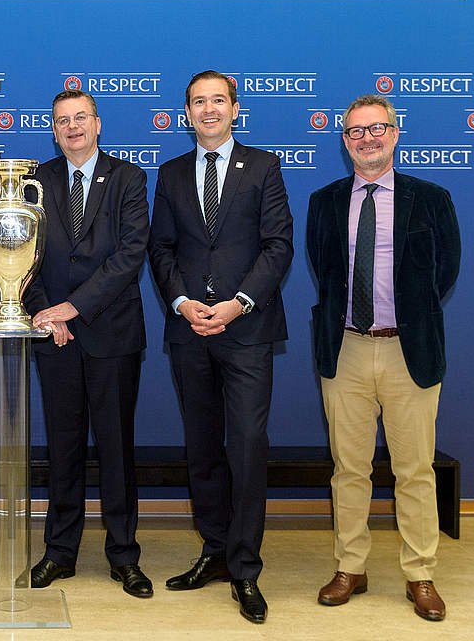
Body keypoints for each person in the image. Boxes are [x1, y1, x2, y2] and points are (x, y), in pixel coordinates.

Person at [306, 94, 460, 621]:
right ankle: (351, 566)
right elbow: (323, 271)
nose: (367, 139)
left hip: (408, 351)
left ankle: (420, 573)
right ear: (344, 141)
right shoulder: (324, 201)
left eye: (377, 129)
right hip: (345, 349)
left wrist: (407, 319)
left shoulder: (432, 198)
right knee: (349, 468)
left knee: (414, 470)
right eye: (355, 132)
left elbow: (445, 272)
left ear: (394, 134)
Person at [147, 70, 293, 624]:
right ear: (186, 112)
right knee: (202, 446)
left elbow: (278, 246)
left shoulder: (263, 167)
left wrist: (238, 303)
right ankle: (213, 550)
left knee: (248, 446)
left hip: (247, 331)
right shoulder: (171, 173)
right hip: (190, 330)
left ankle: (246, 568)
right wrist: (183, 303)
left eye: (217, 101)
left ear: (235, 108)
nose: (208, 110)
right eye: (197, 102)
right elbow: (160, 250)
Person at [25, 89, 154, 599]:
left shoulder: (128, 178)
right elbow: (20, 251)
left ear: (98, 124)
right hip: (52, 334)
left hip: (112, 335)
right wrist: (44, 310)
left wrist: (72, 307)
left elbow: (129, 255)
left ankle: (124, 556)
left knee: (117, 450)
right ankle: (60, 552)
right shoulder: (36, 179)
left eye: (81, 118)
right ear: (53, 130)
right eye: (63, 121)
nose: (73, 127)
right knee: (63, 449)